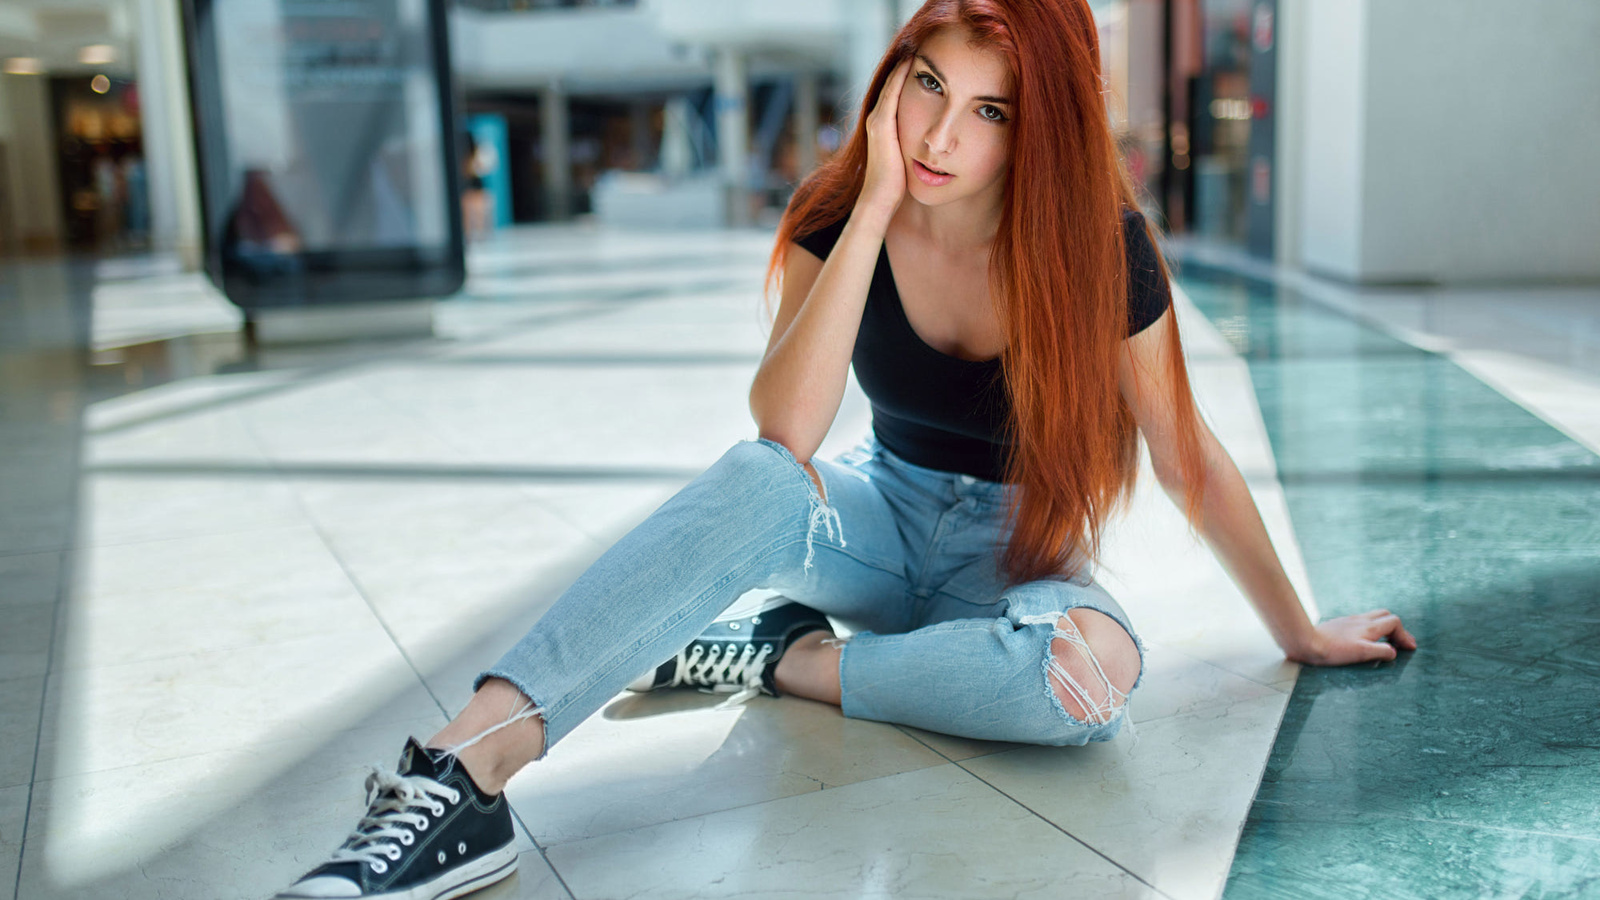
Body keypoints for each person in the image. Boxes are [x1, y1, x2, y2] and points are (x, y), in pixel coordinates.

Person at [276, 1, 1416, 897]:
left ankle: (780, 660)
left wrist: (1297, 631)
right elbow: (787, 433)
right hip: (870, 522)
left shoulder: (1101, 247)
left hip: (1010, 555)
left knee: (1088, 681)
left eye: (989, 109)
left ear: (1040, 127)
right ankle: (459, 774)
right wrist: (872, 211)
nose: (937, 133)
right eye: (928, 83)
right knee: (761, 479)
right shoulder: (841, 210)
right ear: (894, 74)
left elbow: (1188, 457)